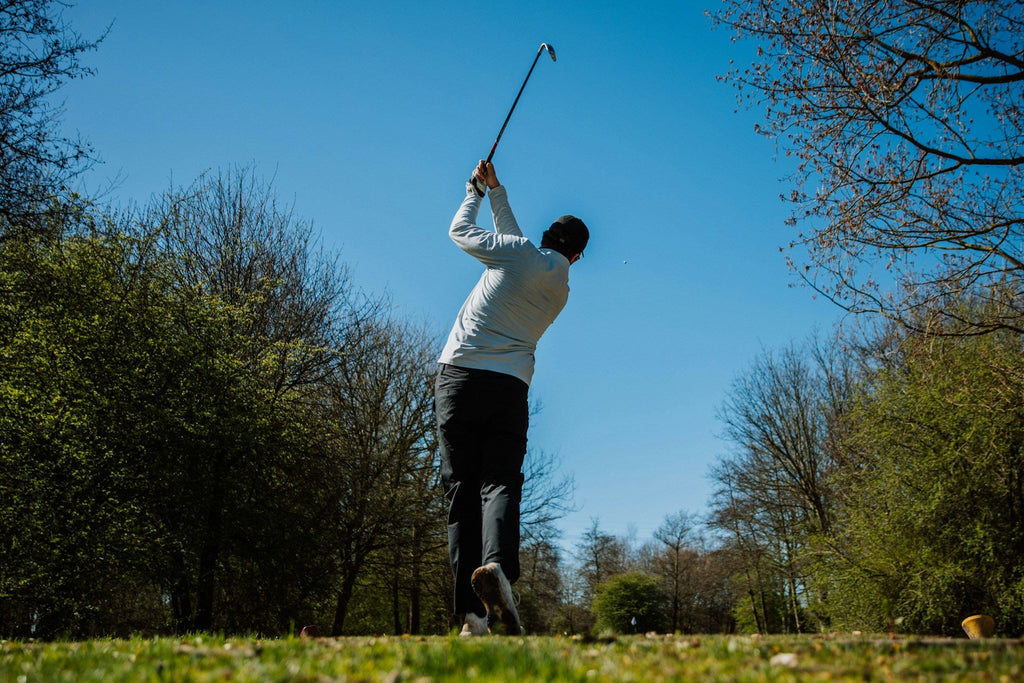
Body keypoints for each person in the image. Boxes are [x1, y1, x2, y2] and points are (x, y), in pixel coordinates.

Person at [435, 160, 589, 636]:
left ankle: (472, 617)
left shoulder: (519, 254)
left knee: (461, 490)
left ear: (545, 236)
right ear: (577, 257)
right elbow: (515, 243)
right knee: (500, 482)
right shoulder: (559, 285)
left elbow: (459, 231)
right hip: (510, 389)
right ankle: (497, 567)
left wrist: (474, 192)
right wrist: (498, 191)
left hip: (460, 379)